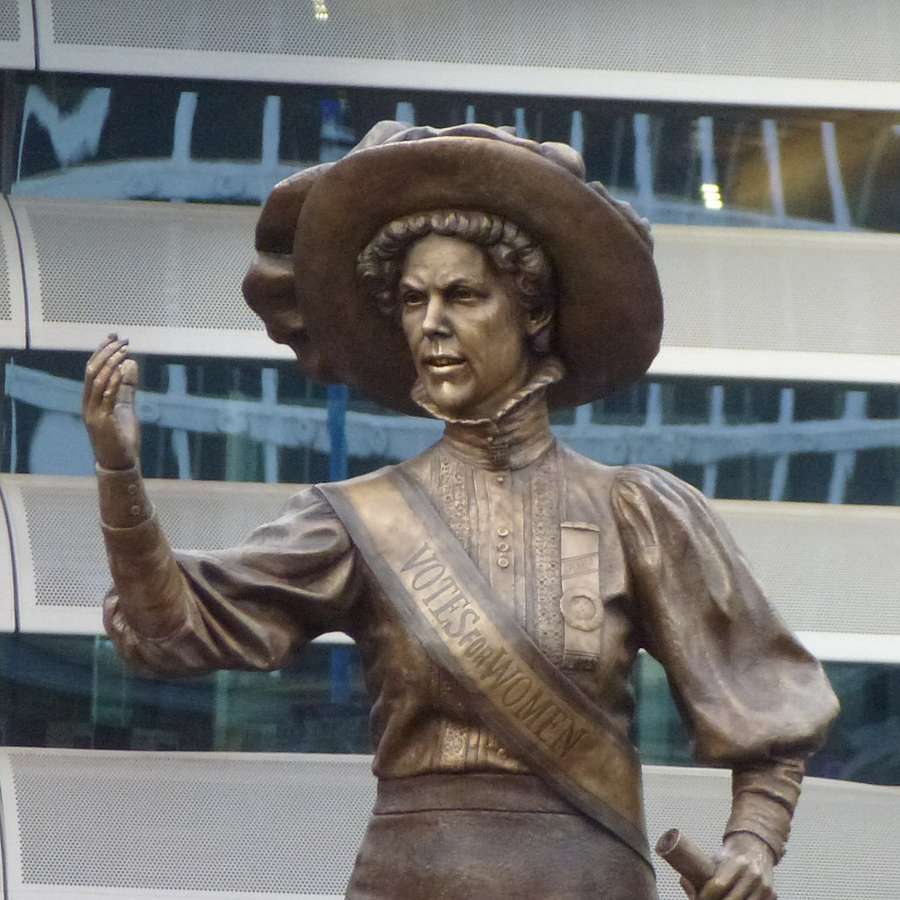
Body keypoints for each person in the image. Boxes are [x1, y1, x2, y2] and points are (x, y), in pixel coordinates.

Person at [83, 123, 838, 900]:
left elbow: (770, 705)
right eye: (413, 301)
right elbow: (172, 628)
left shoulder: (635, 511)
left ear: (531, 312)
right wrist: (117, 471)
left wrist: (754, 843)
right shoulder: (355, 518)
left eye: (463, 295)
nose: (431, 325)